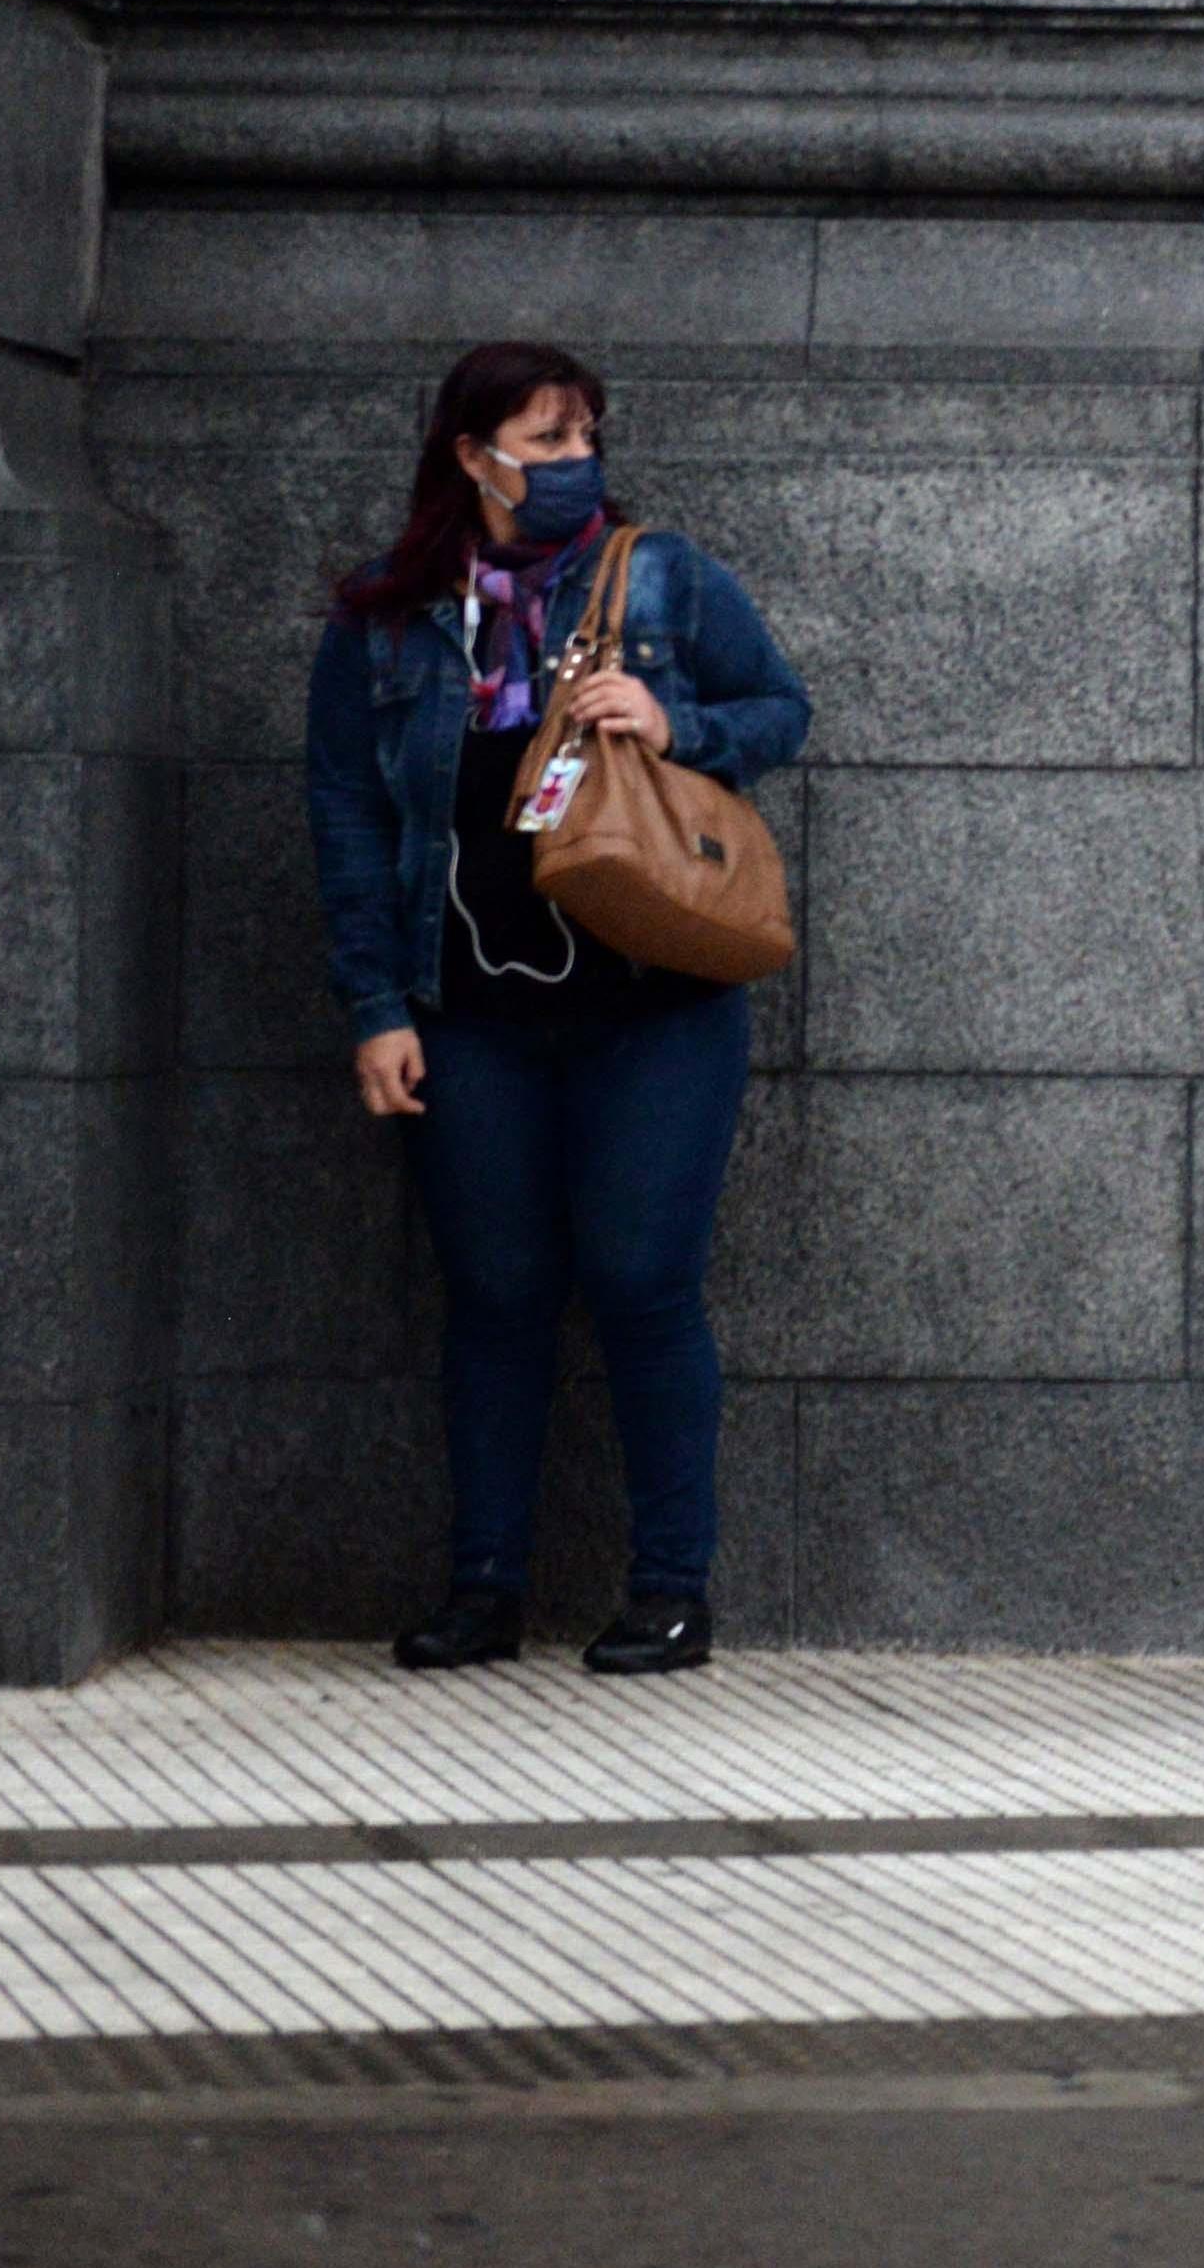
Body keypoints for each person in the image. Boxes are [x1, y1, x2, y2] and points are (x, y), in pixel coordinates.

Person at [303, 343, 810, 1677]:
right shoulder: (383, 622)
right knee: (498, 1293)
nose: (574, 458)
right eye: (546, 436)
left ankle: (669, 1590)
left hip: (658, 1003)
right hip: (464, 1013)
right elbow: (350, 823)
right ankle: (483, 1590)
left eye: (587, 432)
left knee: (645, 1283)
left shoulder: (664, 579)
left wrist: (672, 717)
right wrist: (374, 1007)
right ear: (473, 458)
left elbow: (780, 707)